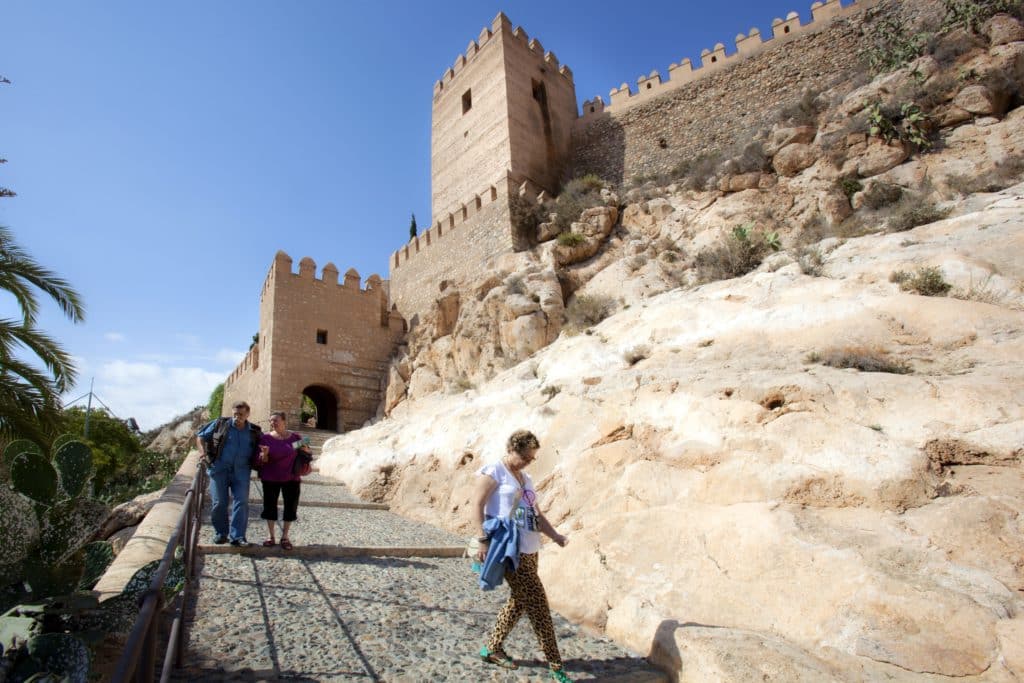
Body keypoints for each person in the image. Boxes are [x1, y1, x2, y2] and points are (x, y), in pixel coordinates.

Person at [472, 429, 571, 682]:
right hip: (509, 550)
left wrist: (555, 535)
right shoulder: (494, 471)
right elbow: (476, 505)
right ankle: (556, 665)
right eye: (526, 456)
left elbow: (536, 515)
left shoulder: (525, 478)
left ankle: (492, 648)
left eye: (532, 458)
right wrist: (482, 539)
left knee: (519, 601)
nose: (529, 461)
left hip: (530, 549)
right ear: (512, 450)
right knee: (539, 607)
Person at [196, 401, 262, 547]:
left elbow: (263, 446)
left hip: (242, 471)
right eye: (235, 414)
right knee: (219, 502)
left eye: (241, 414)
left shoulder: (254, 431)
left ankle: (238, 536)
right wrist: (202, 453)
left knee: (242, 502)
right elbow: (200, 436)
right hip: (219, 469)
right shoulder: (220, 424)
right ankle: (221, 533)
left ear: (247, 414)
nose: (237, 417)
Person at [253, 411, 309, 550]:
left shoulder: (294, 437)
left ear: (284, 421)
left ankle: (285, 537)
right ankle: (270, 536)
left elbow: (306, 449)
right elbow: (261, 461)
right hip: (270, 477)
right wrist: (264, 455)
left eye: (276, 420)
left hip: (291, 478)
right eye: (271, 421)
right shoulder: (265, 438)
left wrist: (306, 449)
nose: (273, 423)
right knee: (270, 506)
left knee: (290, 507)